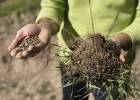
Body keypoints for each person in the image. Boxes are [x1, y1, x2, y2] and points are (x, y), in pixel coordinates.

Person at [8, 0, 140, 99]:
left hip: (112, 63)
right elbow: (53, 3)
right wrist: (45, 26)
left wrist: (119, 42)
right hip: (72, 59)